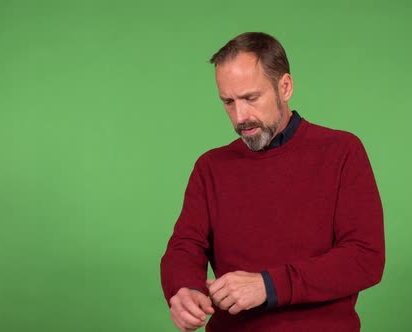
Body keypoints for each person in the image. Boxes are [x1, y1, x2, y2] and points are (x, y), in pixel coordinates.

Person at [160, 32, 385, 332]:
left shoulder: (342, 151)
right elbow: (185, 247)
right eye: (228, 102)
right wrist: (183, 289)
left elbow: (364, 257)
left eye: (251, 98)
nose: (240, 117)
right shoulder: (210, 167)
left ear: (285, 87)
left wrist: (268, 286)